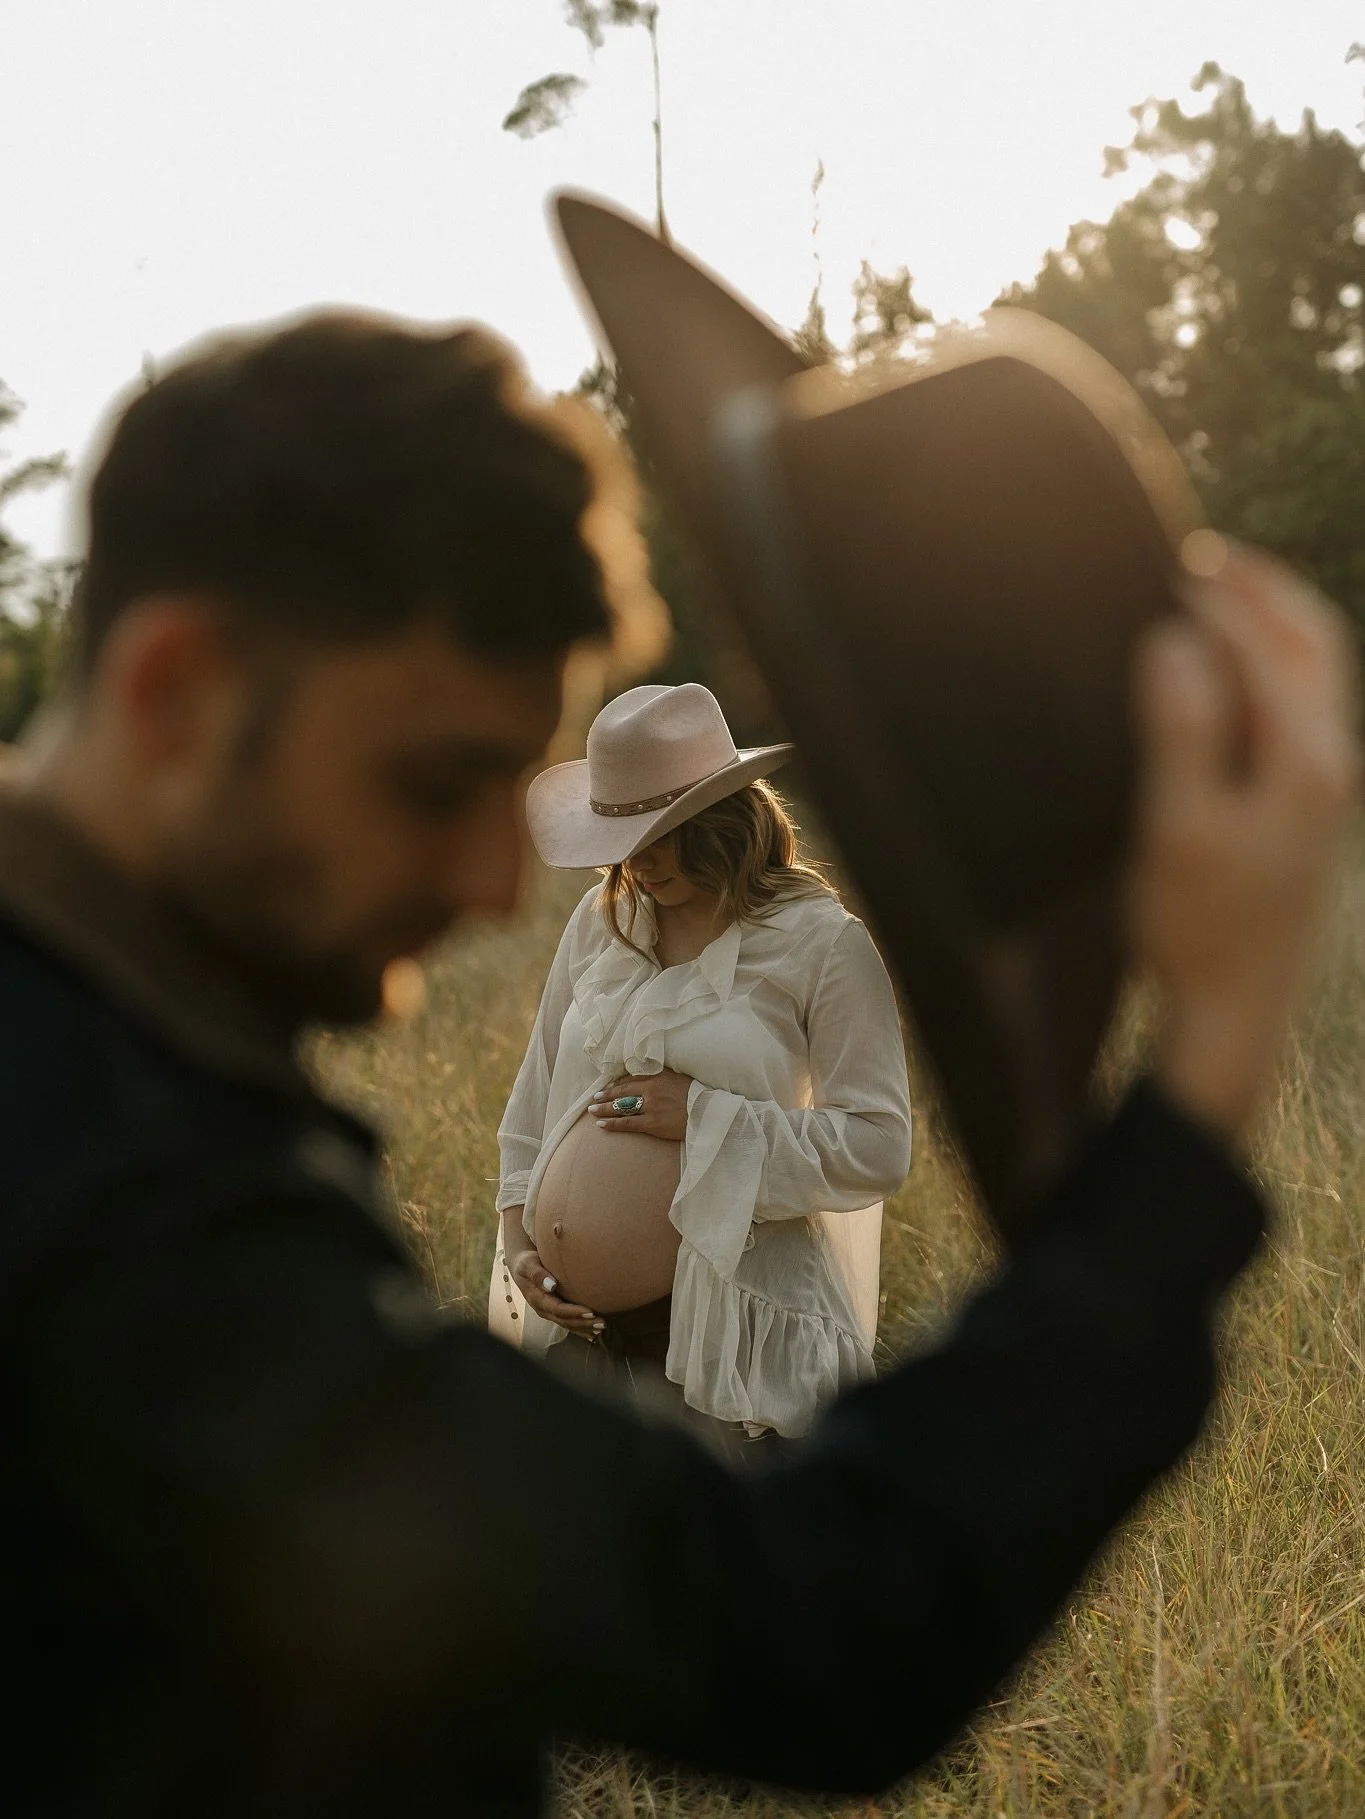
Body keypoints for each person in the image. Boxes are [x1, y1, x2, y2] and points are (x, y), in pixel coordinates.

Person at [0, 309, 1355, 1818]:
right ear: (175, 691)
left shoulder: (116, 1071)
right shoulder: (115, 1189)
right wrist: (1212, 1057)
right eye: (438, 778)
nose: (494, 885)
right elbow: (807, 1627)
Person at [492, 680, 911, 1447]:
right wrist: (521, 1242)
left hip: (722, 1348)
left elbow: (878, 1147)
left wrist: (705, 1118)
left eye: (662, 831)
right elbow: (533, 1100)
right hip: (581, 1345)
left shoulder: (820, 944)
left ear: (720, 815)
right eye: (621, 837)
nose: (637, 861)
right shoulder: (603, 923)